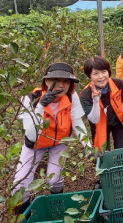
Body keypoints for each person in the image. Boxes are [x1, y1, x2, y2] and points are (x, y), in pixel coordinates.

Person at [12, 62, 91, 214]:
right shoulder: (30, 98)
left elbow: (78, 124)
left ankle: (58, 208)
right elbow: (31, 135)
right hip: (35, 144)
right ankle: (23, 216)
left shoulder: (71, 96)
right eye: (56, 80)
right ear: (46, 81)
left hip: (59, 142)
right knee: (19, 185)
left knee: (54, 180)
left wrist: (89, 149)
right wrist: (41, 106)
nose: (61, 85)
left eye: (66, 81)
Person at [80, 56, 123, 152]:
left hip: (118, 121)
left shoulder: (118, 83)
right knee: (103, 152)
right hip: (99, 125)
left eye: (104, 72)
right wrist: (95, 100)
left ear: (108, 72)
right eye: (96, 73)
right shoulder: (86, 94)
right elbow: (94, 120)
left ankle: (121, 166)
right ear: (89, 76)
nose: (101, 77)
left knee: (122, 150)